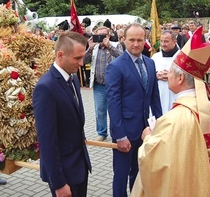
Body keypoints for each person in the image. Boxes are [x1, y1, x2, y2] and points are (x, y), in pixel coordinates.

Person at [131, 26, 210, 196]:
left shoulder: (175, 118)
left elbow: (157, 159)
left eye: (171, 72)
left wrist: (148, 137)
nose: (168, 75)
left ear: (180, 78)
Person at [105, 23, 162, 197]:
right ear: (123, 40)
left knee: (138, 173)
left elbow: (154, 97)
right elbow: (113, 103)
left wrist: (160, 124)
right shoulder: (115, 66)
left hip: (145, 130)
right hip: (125, 131)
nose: (136, 44)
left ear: (145, 40)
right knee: (121, 175)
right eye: (132, 40)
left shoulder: (150, 63)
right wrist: (120, 135)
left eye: (140, 40)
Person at [33, 31, 91, 197]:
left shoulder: (73, 79)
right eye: (77, 58)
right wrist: (58, 183)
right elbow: (47, 141)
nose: (81, 63)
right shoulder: (46, 87)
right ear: (60, 55)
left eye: (83, 57)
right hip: (64, 173)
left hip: (79, 166)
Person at [84, 26, 123, 141]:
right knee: (100, 109)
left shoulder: (116, 45)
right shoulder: (94, 48)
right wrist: (89, 48)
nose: (101, 38)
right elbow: (83, 61)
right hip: (99, 84)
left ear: (108, 36)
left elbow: (123, 57)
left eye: (103, 35)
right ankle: (102, 132)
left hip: (114, 85)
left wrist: (109, 46)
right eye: (98, 36)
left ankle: (116, 132)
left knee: (115, 109)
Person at [151, 30, 179, 114]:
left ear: (174, 42)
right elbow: (146, 76)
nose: (163, 44)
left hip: (175, 96)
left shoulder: (181, 57)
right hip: (158, 96)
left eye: (166, 41)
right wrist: (155, 75)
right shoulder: (155, 57)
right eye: (161, 41)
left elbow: (189, 78)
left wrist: (173, 76)